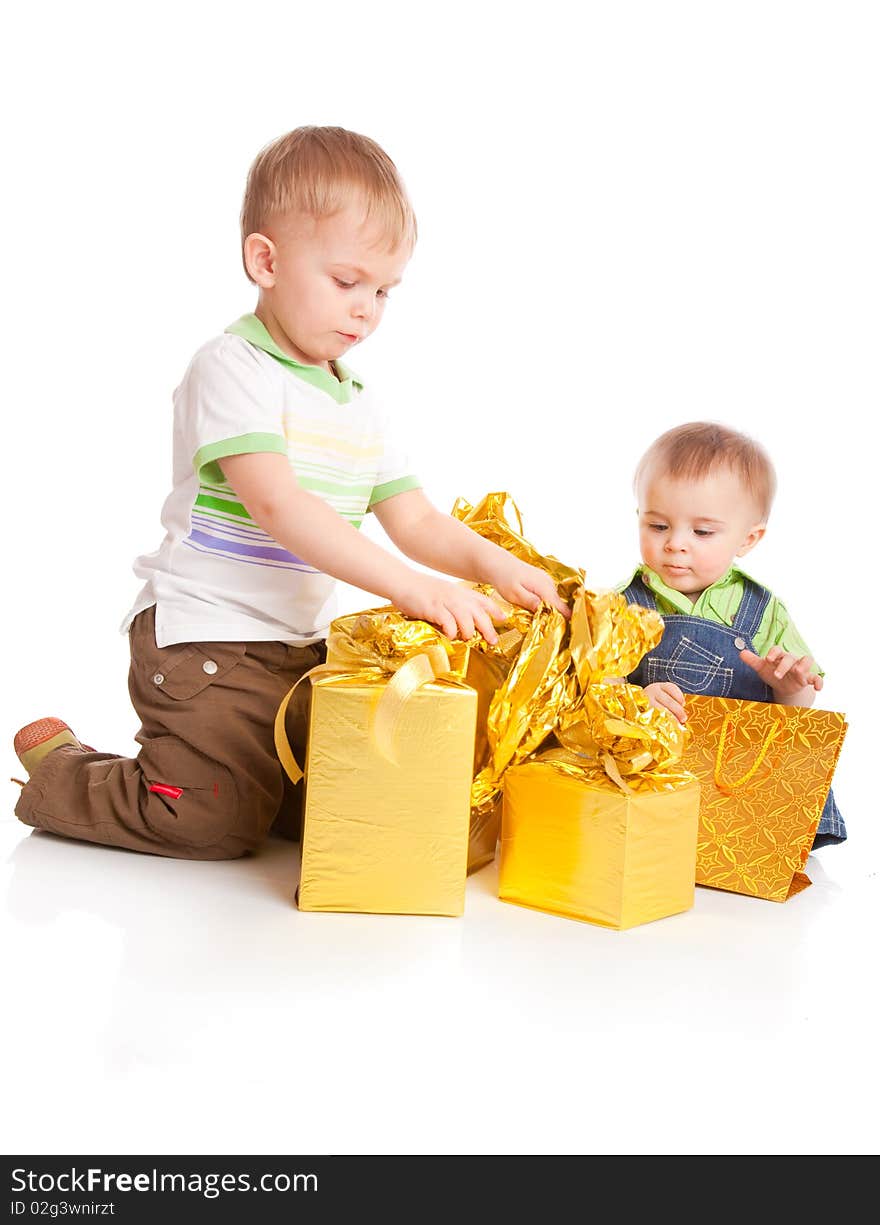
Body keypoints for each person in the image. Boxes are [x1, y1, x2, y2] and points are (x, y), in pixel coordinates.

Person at [12, 125, 568, 861]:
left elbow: (417, 517)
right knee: (214, 826)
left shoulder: (359, 402)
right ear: (265, 260)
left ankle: (244, 784)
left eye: (383, 290)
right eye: (346, 282)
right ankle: (64, 773)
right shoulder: (233, 368)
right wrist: (414, 590)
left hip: (296, 652)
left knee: (342, 799)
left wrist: (490, 566)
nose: (366, 308)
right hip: (205, 643)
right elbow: (279, 507)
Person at [619, 420, 844, 847]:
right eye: (658, 526)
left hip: (740, 784)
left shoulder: (762, 609)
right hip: (655, 776)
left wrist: (789, 687)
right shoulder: (621, 605)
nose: (676, 544)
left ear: (749, 538)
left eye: (701, 532)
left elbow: (798, 708)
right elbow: (595, 690)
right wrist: (635, 700)